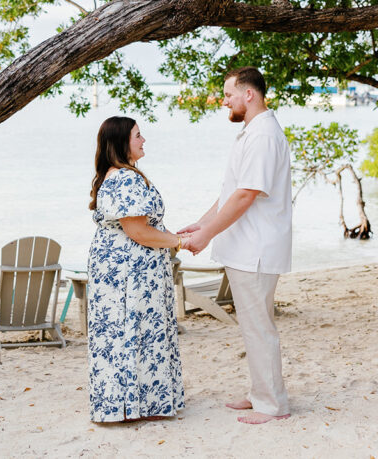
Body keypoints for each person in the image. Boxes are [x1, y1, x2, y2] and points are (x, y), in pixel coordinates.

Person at [179, 67, 292, 425]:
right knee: (252, 326)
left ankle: (273, 405)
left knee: (260, 328)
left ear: (249, 95)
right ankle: (260, 393)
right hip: (244, 247)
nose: (224, 100)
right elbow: (231, 191)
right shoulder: (251, 133)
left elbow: (246, 195)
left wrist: (207, 234)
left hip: (256, 248)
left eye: (228, 94)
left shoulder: (263, 136)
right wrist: (202, 223)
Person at [86, 116, 186, 423]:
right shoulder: (125, 178)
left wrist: (172, 237)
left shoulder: (113, 176)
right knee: (136, 331)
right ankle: (139, 405)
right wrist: (178, 241)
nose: (144, 140)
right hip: (131, 271)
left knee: (118, 333)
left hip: (115, 268)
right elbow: (138, 231)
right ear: (121, 143)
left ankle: (122, 404)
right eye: (138, 136)